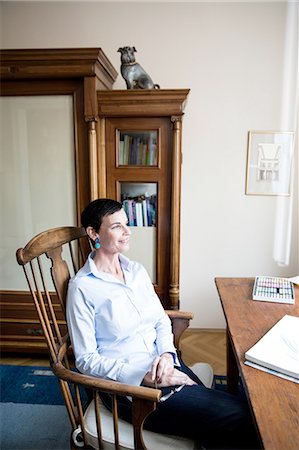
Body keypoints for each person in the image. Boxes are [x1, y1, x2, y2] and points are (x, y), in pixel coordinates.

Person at [66, 198, 261, 449]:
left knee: (234, 416)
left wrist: (168, 355)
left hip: (163, 364)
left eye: (127, 224)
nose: (127, 232)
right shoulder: (83, 287)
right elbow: (85, 359)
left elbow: (160, 320)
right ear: (94, 233)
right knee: (243, 416)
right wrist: (142, 376)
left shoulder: (136, 271)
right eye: (117, 226)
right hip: (132, 390)